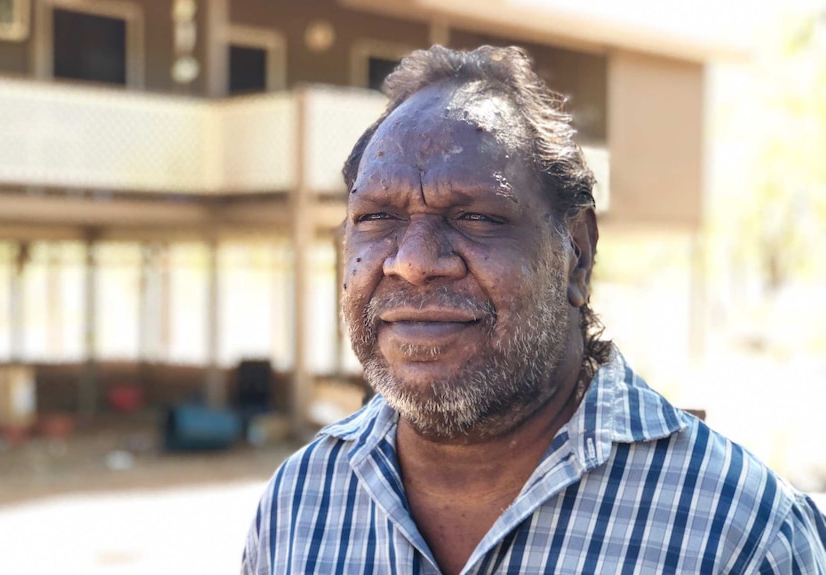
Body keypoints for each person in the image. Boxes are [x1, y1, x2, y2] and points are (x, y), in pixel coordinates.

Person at [242, 45, 826, 574]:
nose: (413, 263)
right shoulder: (298, 504)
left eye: (476, 217)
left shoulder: (740, 536)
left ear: (577, 253)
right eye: (377, 219)